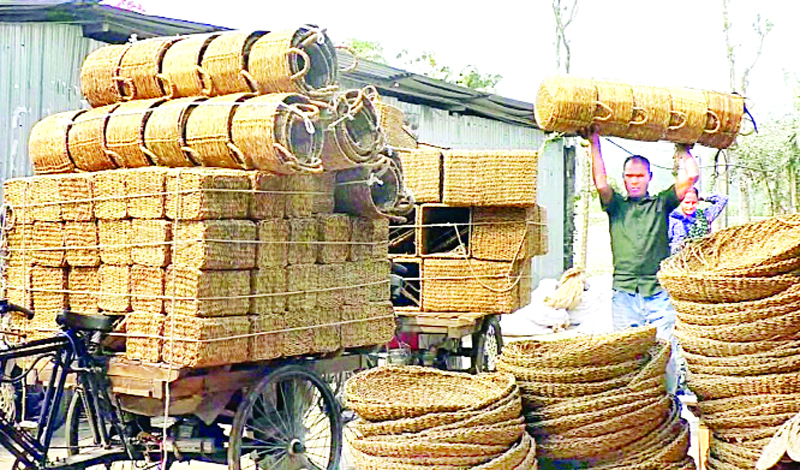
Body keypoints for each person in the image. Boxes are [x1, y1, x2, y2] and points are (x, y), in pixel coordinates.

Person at [586, 129, 699, 394]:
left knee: (666, 354)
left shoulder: (661, 203)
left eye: (639, 176)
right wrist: (594, 143)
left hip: (657, 294)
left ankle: (669, 404)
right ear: (624, 179)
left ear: (649, 178)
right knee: (626, 358)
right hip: (624, 294)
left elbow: (691, 175)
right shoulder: (616, 206)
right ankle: (635, 408)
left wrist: (683, 151)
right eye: (629, 176)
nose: (634, 181)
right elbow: (601, 183)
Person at [668, 188, 729, 254]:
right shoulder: (672, 218)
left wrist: (700, 197)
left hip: (701, 257)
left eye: (693, 202)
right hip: (677, 259)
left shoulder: (705, 216)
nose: (690, 206)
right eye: (687, 202)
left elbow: (723, 199)